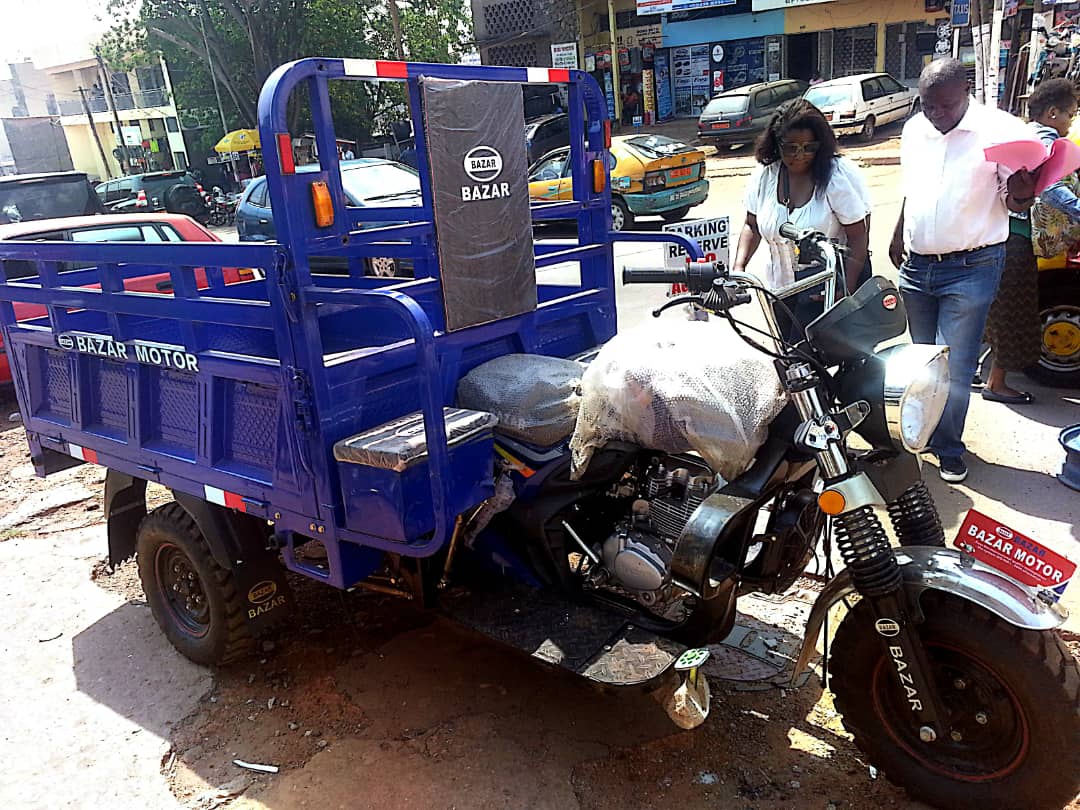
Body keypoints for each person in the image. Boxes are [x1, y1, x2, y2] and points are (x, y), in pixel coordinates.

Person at [888, 58, 1039, 483]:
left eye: (945, 106)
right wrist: (900, 233)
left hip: (972, 266)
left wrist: (1023, 196)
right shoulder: (915, 128)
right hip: (918, 266)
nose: (935, 115)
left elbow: (1015, 201)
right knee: (923, 363)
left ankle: (949, 448)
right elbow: (911, 188)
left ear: (967, 91)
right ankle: (927, 432)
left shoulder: (1002, 131)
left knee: (954, 364)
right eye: (927, 105)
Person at [732, 98, 871, 337]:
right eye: (791, 147)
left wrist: (844, 291)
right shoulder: (766, 175)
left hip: (824, 290)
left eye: (809, 147)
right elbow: (751, 225)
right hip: (780, 291)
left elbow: (859, 238)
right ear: (776, 144)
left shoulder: (836, 176)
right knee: (785, 360)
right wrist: (739, 269)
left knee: (809, 362)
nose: (800, 155)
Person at [984, 78, 1078, 405]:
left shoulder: (1026, 135)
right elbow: (1051, 188)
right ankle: (996, 384)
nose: (1071, 121)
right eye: (1070, 113)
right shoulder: (1044, 141)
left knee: (994, 309)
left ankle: (973, 371)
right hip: (1017, 238)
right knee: (1014, 311)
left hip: (1005, 234)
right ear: (1052, 113)